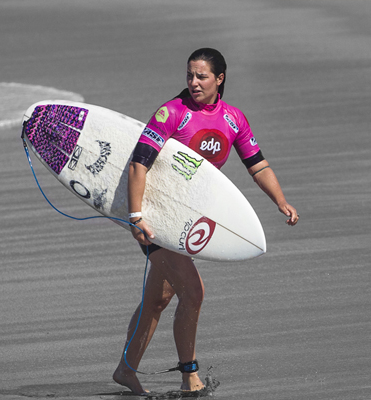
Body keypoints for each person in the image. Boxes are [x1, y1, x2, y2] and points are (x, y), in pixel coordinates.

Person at [112, 48, 299, 395]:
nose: (193, 82)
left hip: (186, 218)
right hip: (155, 214)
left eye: (201, 76)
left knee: (159, 297)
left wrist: (280, 200)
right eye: (189, 75)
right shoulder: (172, 113)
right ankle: (190, 376)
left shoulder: (234, 119)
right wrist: (136, 218)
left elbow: (257, 165)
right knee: (193, 292)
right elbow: (139, 164)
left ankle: (126, 369)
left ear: (220, 79)